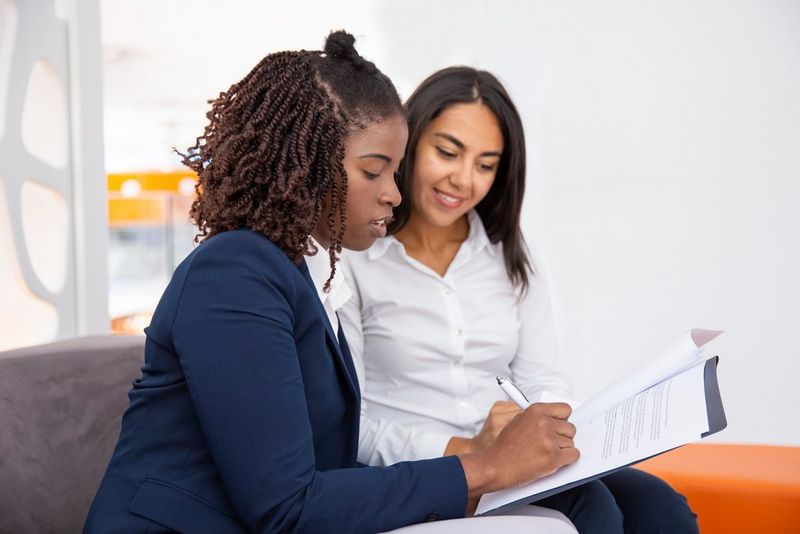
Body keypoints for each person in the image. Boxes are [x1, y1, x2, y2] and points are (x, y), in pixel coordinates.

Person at [84, 34, 582, 534]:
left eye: (395, 172)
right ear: (308, 165)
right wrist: (485, 468)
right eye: (374, 171)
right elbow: (285, 507)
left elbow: (325, 478)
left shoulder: (303, 275)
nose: (393, 195)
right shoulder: (232, 273)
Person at [338, 66, 700, 533]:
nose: (463, 180)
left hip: (511, 455)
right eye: (447, 152)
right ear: (407, 144)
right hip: (422, 468)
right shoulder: (357, 257)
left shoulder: (509, 252)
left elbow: (543, 378)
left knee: (661, 508)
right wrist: (467, 450)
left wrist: (540, 424)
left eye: (485, 165)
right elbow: (350, 422)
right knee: (596, 510)